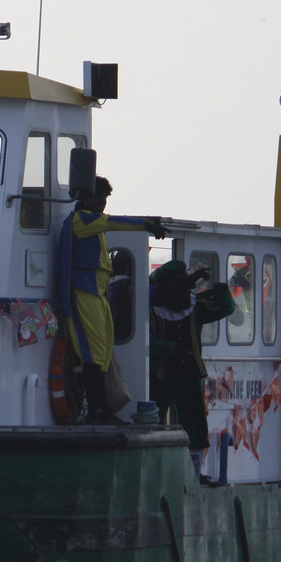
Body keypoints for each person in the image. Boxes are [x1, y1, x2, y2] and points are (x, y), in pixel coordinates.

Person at [57, 176, 167, 424]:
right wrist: (146, 225)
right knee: (93, 354)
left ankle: (103, 409)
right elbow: (113, 222)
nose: (103, 203)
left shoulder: (92, 225)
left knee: (104, 352)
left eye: (105, 198)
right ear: (86, 197)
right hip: (85, 292)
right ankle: (96, 411)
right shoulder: (81, 220)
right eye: (100, 197)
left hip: (98, 294)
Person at [149, 259, 235, 484]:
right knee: (153, 423)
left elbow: (226, 308)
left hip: (190, 375)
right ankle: (153, 473)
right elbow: (147, 343)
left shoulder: (195, 307)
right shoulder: (153, 311)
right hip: (162, 376)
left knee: (195, 424)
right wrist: (171, 348)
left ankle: (195, 474)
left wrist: (223, 292)